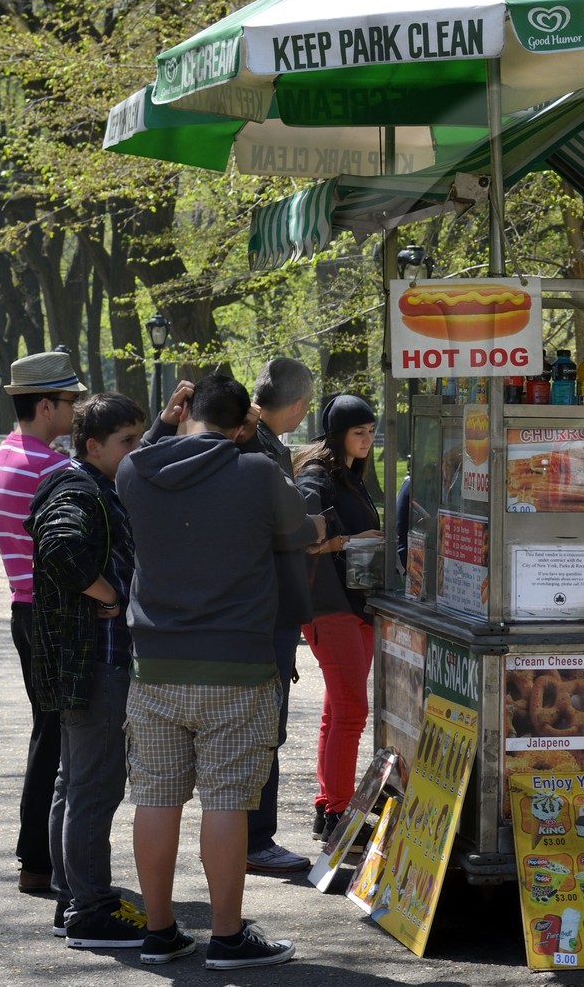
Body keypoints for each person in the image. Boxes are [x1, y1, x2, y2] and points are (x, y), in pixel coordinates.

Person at [118, 374, 320, 968]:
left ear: (184, 415)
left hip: (154, 665)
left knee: (155, 799)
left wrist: (162, 423)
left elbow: (144, 455)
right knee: (226, 801)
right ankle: (228, 939)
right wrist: (253, 442)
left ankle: (160, 932)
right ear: (242, 426)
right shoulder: (257, 471)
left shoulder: (136, 471)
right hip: (238, 662)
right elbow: (300, 532)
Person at [25, 393, 147, 948]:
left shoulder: (81, 481)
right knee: (93, 787)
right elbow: (60, 548)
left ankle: (73, 898)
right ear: (94, 446)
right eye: (127, 442)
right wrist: (113, 596)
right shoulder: (82, 489)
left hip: (82, 662)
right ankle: (90, 910)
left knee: (74, 784)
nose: (136, 451)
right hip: (95, 660)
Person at [0, 350, 87, 892]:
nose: (77, 410)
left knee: (47, 731)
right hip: (55, 614)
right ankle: (40, 859)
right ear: (46, 405)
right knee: (59, 738)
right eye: (71, 401)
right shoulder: (51, 468)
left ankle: (37, 857)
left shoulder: (3, 455)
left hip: (23, 610)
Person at [292, 394, 381, 842]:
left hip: (353, 604)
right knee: (350, 711)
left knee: (338, 710)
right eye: (358, 432)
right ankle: (341, 813)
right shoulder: (316, 476)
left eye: (370, 431)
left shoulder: (351, 475)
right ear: (337, 434)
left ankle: (328, 806)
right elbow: (303, 541)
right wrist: (351, 540)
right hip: (329, 605)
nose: (367, 439)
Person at [240, 359, 316, 874]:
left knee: (259, 726)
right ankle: (254, 839)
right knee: (265, 727)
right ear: (298, 406)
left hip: (256, 606)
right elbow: (289, 526)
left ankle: (249, 836)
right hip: (268, 608)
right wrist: (317, 523)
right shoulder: (263, 450)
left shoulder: (255, 443)